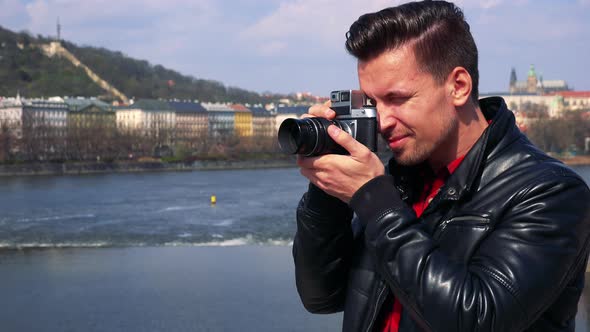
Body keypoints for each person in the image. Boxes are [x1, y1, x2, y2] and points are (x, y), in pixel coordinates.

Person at [291, 1, 590, 331]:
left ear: (458, 87)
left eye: (398, 99)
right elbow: (321, 296)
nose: (383, 121)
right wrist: (326, 192)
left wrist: (375, 203)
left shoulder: (551, 192)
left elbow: (477, 320)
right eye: (374, 103)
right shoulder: (398, 180)